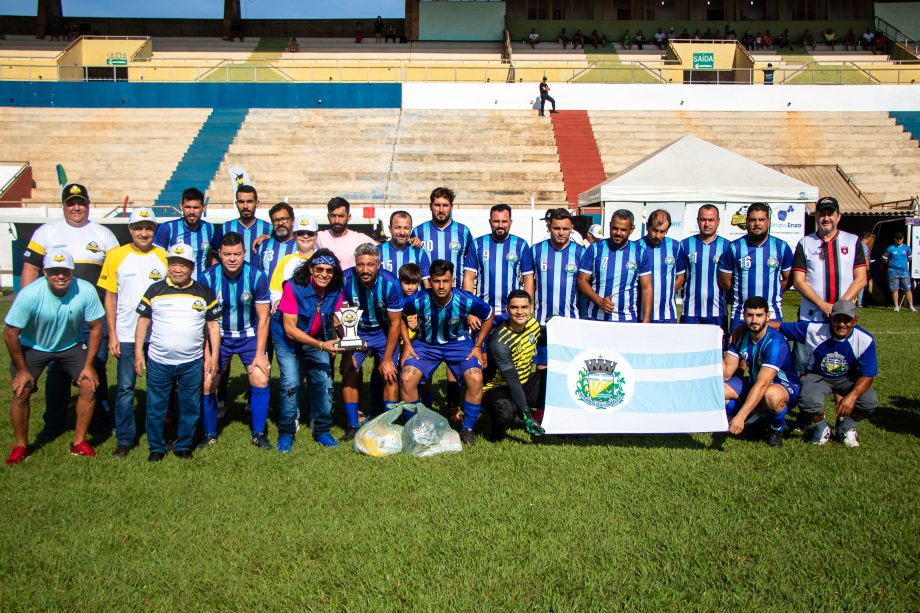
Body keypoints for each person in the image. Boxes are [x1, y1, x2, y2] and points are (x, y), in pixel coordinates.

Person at [20, 182, 118, 442]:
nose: (77, 207)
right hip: (55, 316)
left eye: (81, 202)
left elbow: (113, 278)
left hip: (91, 316)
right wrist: (28, 305)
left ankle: (100, 418)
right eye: (71, 202)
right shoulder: (46, 232)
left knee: (95, 365)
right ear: (63, 205)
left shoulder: (104, 234)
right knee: (57, 369)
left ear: (88, 204)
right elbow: (30, 269)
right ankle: (54, 420)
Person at [4, 250, 104, 465]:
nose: (60, 276)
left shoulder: (85, 290)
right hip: (34, 346)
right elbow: (10, 332)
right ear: (45, 272)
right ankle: (21, 445)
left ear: (72, 272)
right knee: (22, 390)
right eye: (54, 271)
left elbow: (96, 327)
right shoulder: (30, 294)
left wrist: (88, 365)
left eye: (65, 271)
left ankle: (79, 442)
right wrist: (22, 371)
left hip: (71, 345)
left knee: (88, 384)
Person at [134, 244, 221, 462]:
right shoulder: (155, 290)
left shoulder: (203, 292)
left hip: (192, 361)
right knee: (156, 406)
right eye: (174, 264)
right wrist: (138, 353)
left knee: (190, 405)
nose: (178, 269)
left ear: (191, 268)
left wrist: (213, 357)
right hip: (159, 360)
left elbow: (212, 327)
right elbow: (143, 321)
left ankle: (183, 445)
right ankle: (156, 447)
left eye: (183, 265)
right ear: (168, 266)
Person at [97, 207, 168, 458]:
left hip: (157, 336)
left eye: (149, 227)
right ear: (130, 230)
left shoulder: (164, 256)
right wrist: (113, 334)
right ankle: (125, 439)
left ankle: (159, 434)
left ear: (155, 229)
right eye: (138, 227)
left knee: (158, 388)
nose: (144, 232)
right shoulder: (116, 256)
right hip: (126, 335)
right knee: (126, 388)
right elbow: (110, 297)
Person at [401, 260, 494, 444]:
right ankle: (414, 427)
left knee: (475, 378)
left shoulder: (465, 299)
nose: (441, 286)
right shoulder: (418, 299)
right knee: (406, 378)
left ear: (453, 281)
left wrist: (478, 346)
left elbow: (489, 314)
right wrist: (407, 344)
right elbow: (400, 316)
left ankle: (467, 429)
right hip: (426, 344)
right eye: (436, 281)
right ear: (430, 281)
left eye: (445, 280)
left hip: (459, 345)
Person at [199, 232, 272, 450]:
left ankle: (258, 433)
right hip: (217, 336)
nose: (232, 258)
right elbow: (202, 321)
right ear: (219, 254)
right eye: (228, 254)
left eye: (237, 254)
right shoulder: (207, 278)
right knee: (208, 381)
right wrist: (207, 355)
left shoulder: (257, 276)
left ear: (244, 253)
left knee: (260, 377)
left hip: (248, 335)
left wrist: (260, 354)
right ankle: (209, 434)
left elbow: (263, 318)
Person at [773, 300, 877, 447]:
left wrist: (851, 397)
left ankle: (846, 427)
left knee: (869, 402)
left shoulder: (865, 340)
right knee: (807, 401)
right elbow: (779, 327)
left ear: (855, 321)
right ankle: (822, 426)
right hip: (818, 376)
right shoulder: (815, 329)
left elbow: (868, 375)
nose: (841, 324)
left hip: (847, 378)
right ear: (830, 318)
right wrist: (748, 326)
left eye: (846, 320)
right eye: (837, 319)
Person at [278, 249, 346, 450]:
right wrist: (321, 345)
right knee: (291, 381)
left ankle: (322, 430)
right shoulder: (293, 287)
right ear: (311, 269)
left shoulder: (335, 290)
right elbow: (290, 329)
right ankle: (287, 432)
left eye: (329, 271)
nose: (324, 274)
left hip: (316, 338)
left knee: (324, 379)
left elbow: (337, 319)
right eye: (320, 269)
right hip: (288, 340)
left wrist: (350, 340)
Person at [339, 244, 405, 440]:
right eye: (360, 265)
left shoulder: (391, 283)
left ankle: (388, 424)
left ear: (378, 265)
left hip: (384, 332)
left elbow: (395, 324)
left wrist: (387, 360)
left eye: (370, 265)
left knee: (390, 374)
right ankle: (352, 425)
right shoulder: (345, 279)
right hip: (356, 330)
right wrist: (348, 353)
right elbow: (343, 315)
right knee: (350, 371)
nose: (365, 270)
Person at [722, 296, 799, 448]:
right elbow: (726, 373)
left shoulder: (775, 342)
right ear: (744, 316)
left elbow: (763, 383)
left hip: (782, 386)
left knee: (770, 395)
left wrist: (740, 417)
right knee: (718, 392)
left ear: (768, 316)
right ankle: (759, 419)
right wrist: (714, 348)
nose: (754, 320)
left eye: (759, 315)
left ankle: (776, 428)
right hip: (754, 382)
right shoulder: (740, 336)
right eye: (750, 315)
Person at [269, 215, 319, 433]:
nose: (305, 237)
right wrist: (278, 300)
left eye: (309, 234)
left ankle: (318, 416)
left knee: (317, 375)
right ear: (295, 236)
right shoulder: (286, 261)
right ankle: (292, 417)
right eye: (301, 234)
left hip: (316, 328)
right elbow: (274, 290)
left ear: (316, 236)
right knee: (291, 377)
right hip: (288, 326)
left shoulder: (324, 259)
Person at [482, 290, 547, 441]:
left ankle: (545, 417)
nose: (520, 312)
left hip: (524, 382)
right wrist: (527, 416)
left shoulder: (533, 325)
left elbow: (546, 341)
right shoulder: (499, 342)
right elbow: (512, 381)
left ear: (531, 309)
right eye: (514, 307)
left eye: (524, 307)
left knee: (551, 377)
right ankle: (496, 434)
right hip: (498, 387)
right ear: (507, 309)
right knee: (505, 411)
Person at [719, 202, 793, 332]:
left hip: (772, 314)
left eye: (761, 220)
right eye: (753, 220)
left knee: (771, 351)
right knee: (739, 352)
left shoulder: (781, 247)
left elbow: (788, 279)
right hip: (741, 315)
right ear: (747, 222)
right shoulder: (734, 248)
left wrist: (774, 292)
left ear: (768, 221)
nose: (757, 223)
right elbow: (725, 281)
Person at [792, 196, 866, 322]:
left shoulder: (852, 241)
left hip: (843, 315)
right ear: (816, 216)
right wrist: (822, 304)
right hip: (811, 315)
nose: (826, 218)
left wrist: (839, 307)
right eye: (822, 214)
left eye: (830, 214)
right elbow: (798, 282)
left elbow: (861, 279)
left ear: (838, 216)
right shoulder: (804, 243)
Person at [463, 204, 534, 324]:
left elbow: (528, 280)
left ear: (510, 222)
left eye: (504, 221)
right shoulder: (477, 244)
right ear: (490, 222)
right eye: (496, 221)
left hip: (512, 314)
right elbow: (469, 278)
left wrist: (527, 310)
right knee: (479, 343)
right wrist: (470, 311)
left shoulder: (521, 245)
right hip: (483, 312)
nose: (500, 225)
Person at [577, 209, 652, 323]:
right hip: (597, 318)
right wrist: (599, 301)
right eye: (615, 228)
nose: (618, 233)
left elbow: (647, 288)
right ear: (610, 226)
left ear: (631, 230)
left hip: (627, 319)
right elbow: (581, 281)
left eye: (623, 230)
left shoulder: (639, 252)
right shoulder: (595, 249)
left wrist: (646, 319)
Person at [531, 208, 585, 329]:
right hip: (541, 322)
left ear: (571, 228)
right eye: (556, 228)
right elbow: (527, 281)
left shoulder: (581, 252)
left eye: (565, 229)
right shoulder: (535, 250)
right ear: (549, 227)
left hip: (570, 321)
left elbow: (585, 286)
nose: (561, 233)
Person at [413, 186, 475, 287]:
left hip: (455, 294)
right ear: (430, 206)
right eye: (437, 205)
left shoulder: (463, 231)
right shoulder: (418, 231)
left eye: (445, 205)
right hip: (426, 295)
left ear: (451, 207)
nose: (441, 209)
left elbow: (471, 266)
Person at [153, 187, 216, 279]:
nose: (191, 212)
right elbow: (156, 259)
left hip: (200, 287)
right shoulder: (168, 228)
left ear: (204, 207)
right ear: (181, 205)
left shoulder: (209, 228)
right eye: (188, 207)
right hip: (175, 287)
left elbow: (211, 257)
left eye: (196, 207)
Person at [680, 204, 728, 326]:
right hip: (690, 311)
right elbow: (680, 277)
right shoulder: (684, 245)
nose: (707, 224)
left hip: (718, 311)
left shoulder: (727, 247)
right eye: (703, 220)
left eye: (711, 220)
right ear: (698, 221)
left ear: (718, 221)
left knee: (718, 345)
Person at [641, 209, 685, 323]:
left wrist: (667, 292)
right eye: (655, 230)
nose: (658, 236)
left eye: (663, 231)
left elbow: (680, 277)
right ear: (647, 227)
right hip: (641, 314)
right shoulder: (636, 247)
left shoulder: (676, 247)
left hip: (668, 315)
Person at [214, 185, 271, 263]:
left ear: (257, 203)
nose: (245, 206)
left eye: (249, 201)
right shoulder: (225, 227)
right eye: (241, 202)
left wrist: (270, 237)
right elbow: (214, 254)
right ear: (236, 204)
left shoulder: (269, 228)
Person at [315, 196, 374, 270]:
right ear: (328, 217)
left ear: (349, 217)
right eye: (333, 216)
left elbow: (382, 251)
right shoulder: (319, 237)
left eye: (341, 216)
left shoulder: (360, 239)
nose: (337, 220)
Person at [378, 210, 431, 285]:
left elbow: (427, 286)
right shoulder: (377, 251)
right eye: (398, 228)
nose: (402, 233)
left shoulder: (419, 253)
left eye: (406, 228)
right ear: (390, 229)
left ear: (411, 229)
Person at [256, 202, 298, 280]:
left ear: (292, 220)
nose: (280, 223)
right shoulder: (263, 245)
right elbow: (255, 274)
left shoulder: (301, 245)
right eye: (276, 220)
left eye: (283, 219)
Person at [882, 232, 914, 312]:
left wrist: (903, 263)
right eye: (897, 239)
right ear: (894, 239)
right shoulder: (890, 248)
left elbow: (910, 258)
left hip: (904, 271)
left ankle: (911, 306)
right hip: (893, 271)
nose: (899, 240)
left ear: (903, 239)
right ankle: (896, 306)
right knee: (894, 289)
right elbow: (884, 258)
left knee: (908, 288)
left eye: (901, 239)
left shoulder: (907, 248)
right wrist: (891, 264)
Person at [857, 232, 874, 306]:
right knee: (862, 284)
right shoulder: (864, 246)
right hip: (862, 268)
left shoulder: (857, 244)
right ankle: (860, 302)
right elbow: (866, 258)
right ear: (867, 238)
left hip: (857, 267)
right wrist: (868, 269)